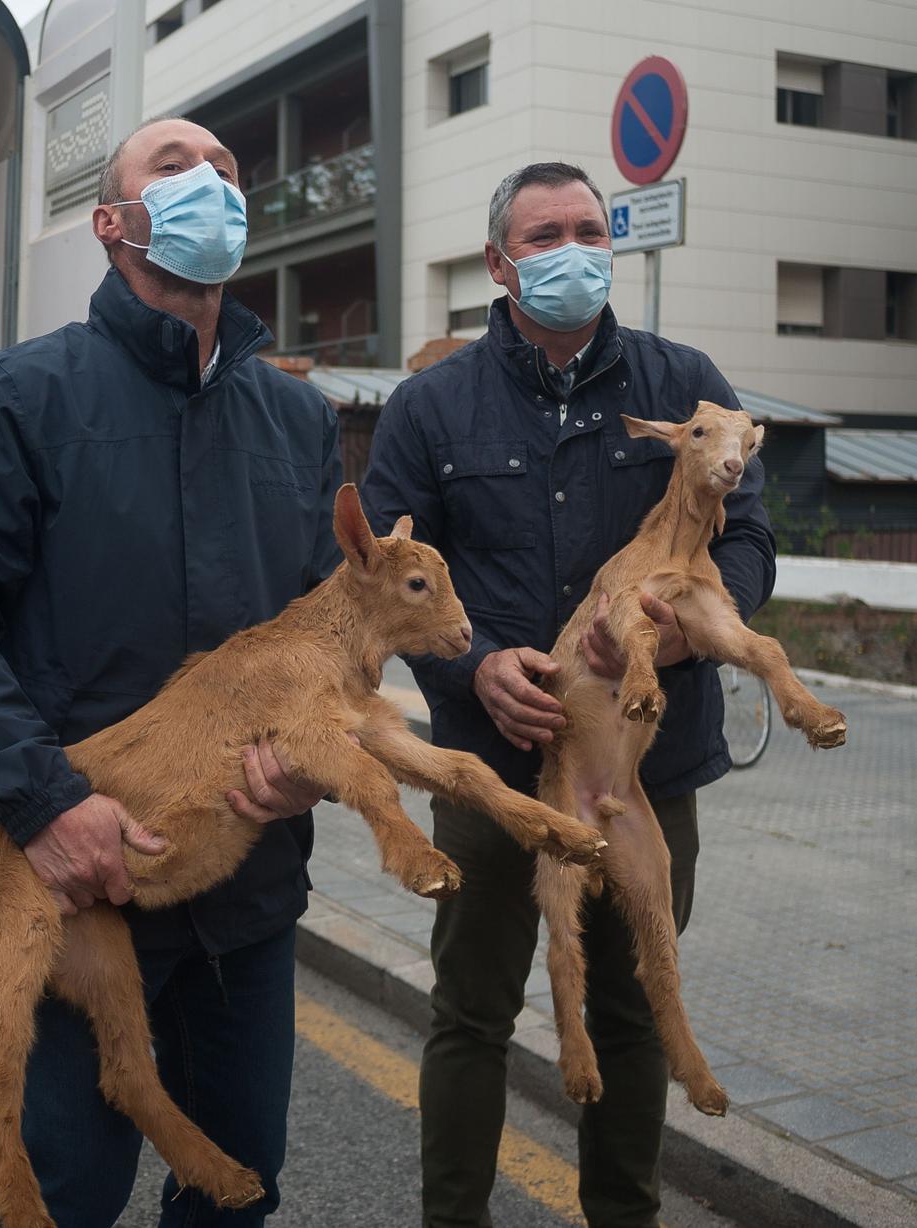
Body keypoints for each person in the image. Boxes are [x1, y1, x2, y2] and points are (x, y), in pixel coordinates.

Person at [0, 116, 343, 1228]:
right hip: (76, 881)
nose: (211, 186)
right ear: (110, 220)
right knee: (53, 1188)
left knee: (236, 1182)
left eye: (228, 172)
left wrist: (307, 763)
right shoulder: (16, 398)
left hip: (246, 885)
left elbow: (330, 632)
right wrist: (42, 803)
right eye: (175, 168)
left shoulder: (296, 419)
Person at [360, 161, 776, 1228]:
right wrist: (470, 668)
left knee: (634, 1017)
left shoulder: (682, 386)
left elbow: (754, 544)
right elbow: (381, 579)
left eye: (588, 228)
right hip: (491, 775)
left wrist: (685, 633)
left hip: (646, 768)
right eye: (543, 234)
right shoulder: (430, 406)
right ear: (500, 263)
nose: (571, 249)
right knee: (470, 1017)